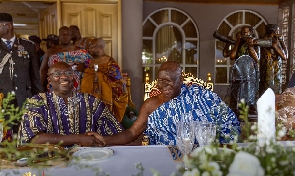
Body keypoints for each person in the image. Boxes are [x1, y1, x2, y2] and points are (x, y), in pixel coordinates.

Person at [88, 61, 241, 146]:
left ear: (180, 80)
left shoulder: (201, 96)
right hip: (166, 156)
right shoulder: (150, 105)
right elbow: (132, 133)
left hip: (201, 157)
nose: (163, 86)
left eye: (168, 81)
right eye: (160, 81)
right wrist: (105, 139)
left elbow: (228, 121)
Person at [18, 62, 124, 147]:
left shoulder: (92, 102)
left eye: (68, 73)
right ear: (49, 80)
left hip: (87, 162)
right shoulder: (37, 102)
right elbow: (33, 138)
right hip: (51, 163)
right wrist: (78, 138)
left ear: (73, 77)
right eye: (57, 74)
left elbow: (116, 131)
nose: (64, 77)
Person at [80, 38, 128, 122]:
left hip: (103, 97)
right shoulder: (90, 62)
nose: (89, 49)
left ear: (101, 47)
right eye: (89, 47)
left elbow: (117, 80)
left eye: (92, 47)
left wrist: (99, 76)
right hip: (87, 96)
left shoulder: (109, 62)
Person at [0, 13, 42, 108]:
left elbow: (35, 75)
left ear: (9, 26)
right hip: (2, 100)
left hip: (24, 99)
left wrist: (39, 98)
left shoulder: (27, 46)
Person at [40, 26, 92, 92]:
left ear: (71, 36)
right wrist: (40, 86)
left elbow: (92, 65)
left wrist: (84, 66)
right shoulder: (51, 51)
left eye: (68, 35)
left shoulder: (80, 51)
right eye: (63, 34)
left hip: (76, 87)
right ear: (59, 36)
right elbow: (43, 70)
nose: (65, 37)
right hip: (56, 86)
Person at [222, 26, 260, 115]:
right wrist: (237, 42)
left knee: (249, 90)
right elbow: (230, 55)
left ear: (250, 33)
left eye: (246, 32)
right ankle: (236, 106)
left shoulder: (254, 43)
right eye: (242, 32)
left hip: (249, 73)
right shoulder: (238, 44)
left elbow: (257, 59)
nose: (243, 34)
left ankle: (249, 106)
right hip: (238, 71)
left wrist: (251, 47)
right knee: (237, 90)